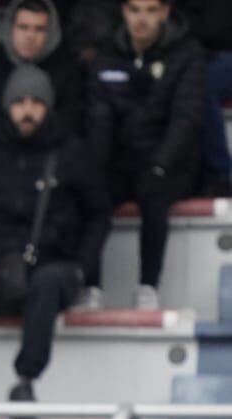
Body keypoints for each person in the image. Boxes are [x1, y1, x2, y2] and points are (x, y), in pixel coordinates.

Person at [0, 65, 111, 402]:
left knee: (47, 284)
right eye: (19, 102)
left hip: (53, 262)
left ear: (48, 107)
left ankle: (26, 381)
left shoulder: (71, 154)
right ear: (6, 106)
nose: (27, 111)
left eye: (35, 102)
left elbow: (98, 214)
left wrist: (82, 267)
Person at [86, 0, 204, 309]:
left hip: (171, 159)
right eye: (135, 10)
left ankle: (148, 286)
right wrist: (97, 167)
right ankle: (89, 285)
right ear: (124, 11)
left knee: (154, 192)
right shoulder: (106, 55)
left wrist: (160, 163)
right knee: (91, 191)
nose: (142, 19)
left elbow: (185, 118)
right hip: (121, 159)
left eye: (151, 11)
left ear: (165, 13)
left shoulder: (187, 53)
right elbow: (99, 117)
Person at [0, 1, 86, 152]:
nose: (30, 36)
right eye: (23, 27)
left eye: (39, 29)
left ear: (52, 32)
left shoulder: (69, 72)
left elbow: (71, 128)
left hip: (51, 166)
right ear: (10, 28)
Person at [187, 0, 232, 194]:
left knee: (201, 86)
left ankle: (219, 174)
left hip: (223, 54)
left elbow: (216, 30)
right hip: (190, 54)